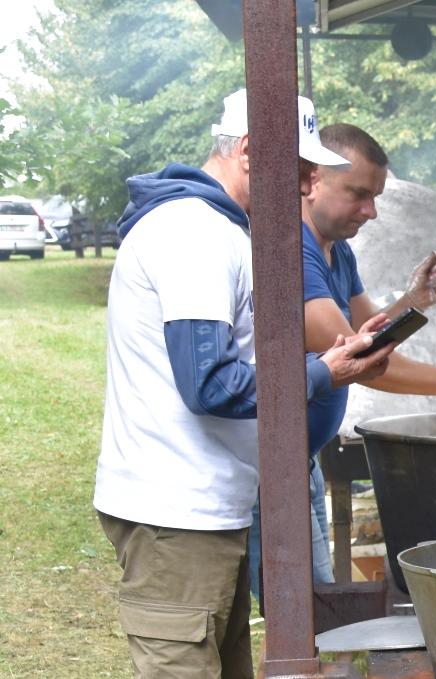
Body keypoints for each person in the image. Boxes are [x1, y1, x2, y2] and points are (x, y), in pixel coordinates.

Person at [93, 88, 397, 677]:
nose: (310, 188)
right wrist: (322, 372)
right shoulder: (192, 233)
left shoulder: (227, 231)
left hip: (209, 510)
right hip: (176, 516)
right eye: (304, 172)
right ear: (254, 151)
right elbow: (209, 382)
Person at [246, 122, 436, 602]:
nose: (370, 211)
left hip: (298, 457)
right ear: (311, 181)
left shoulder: (337, 252)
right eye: (358, 194)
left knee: (311, 605)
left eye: (374, 196)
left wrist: (414, 301)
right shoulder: (293, 254)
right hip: (262, 467)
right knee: (303, 609)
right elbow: (366, 359)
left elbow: (371, 331)